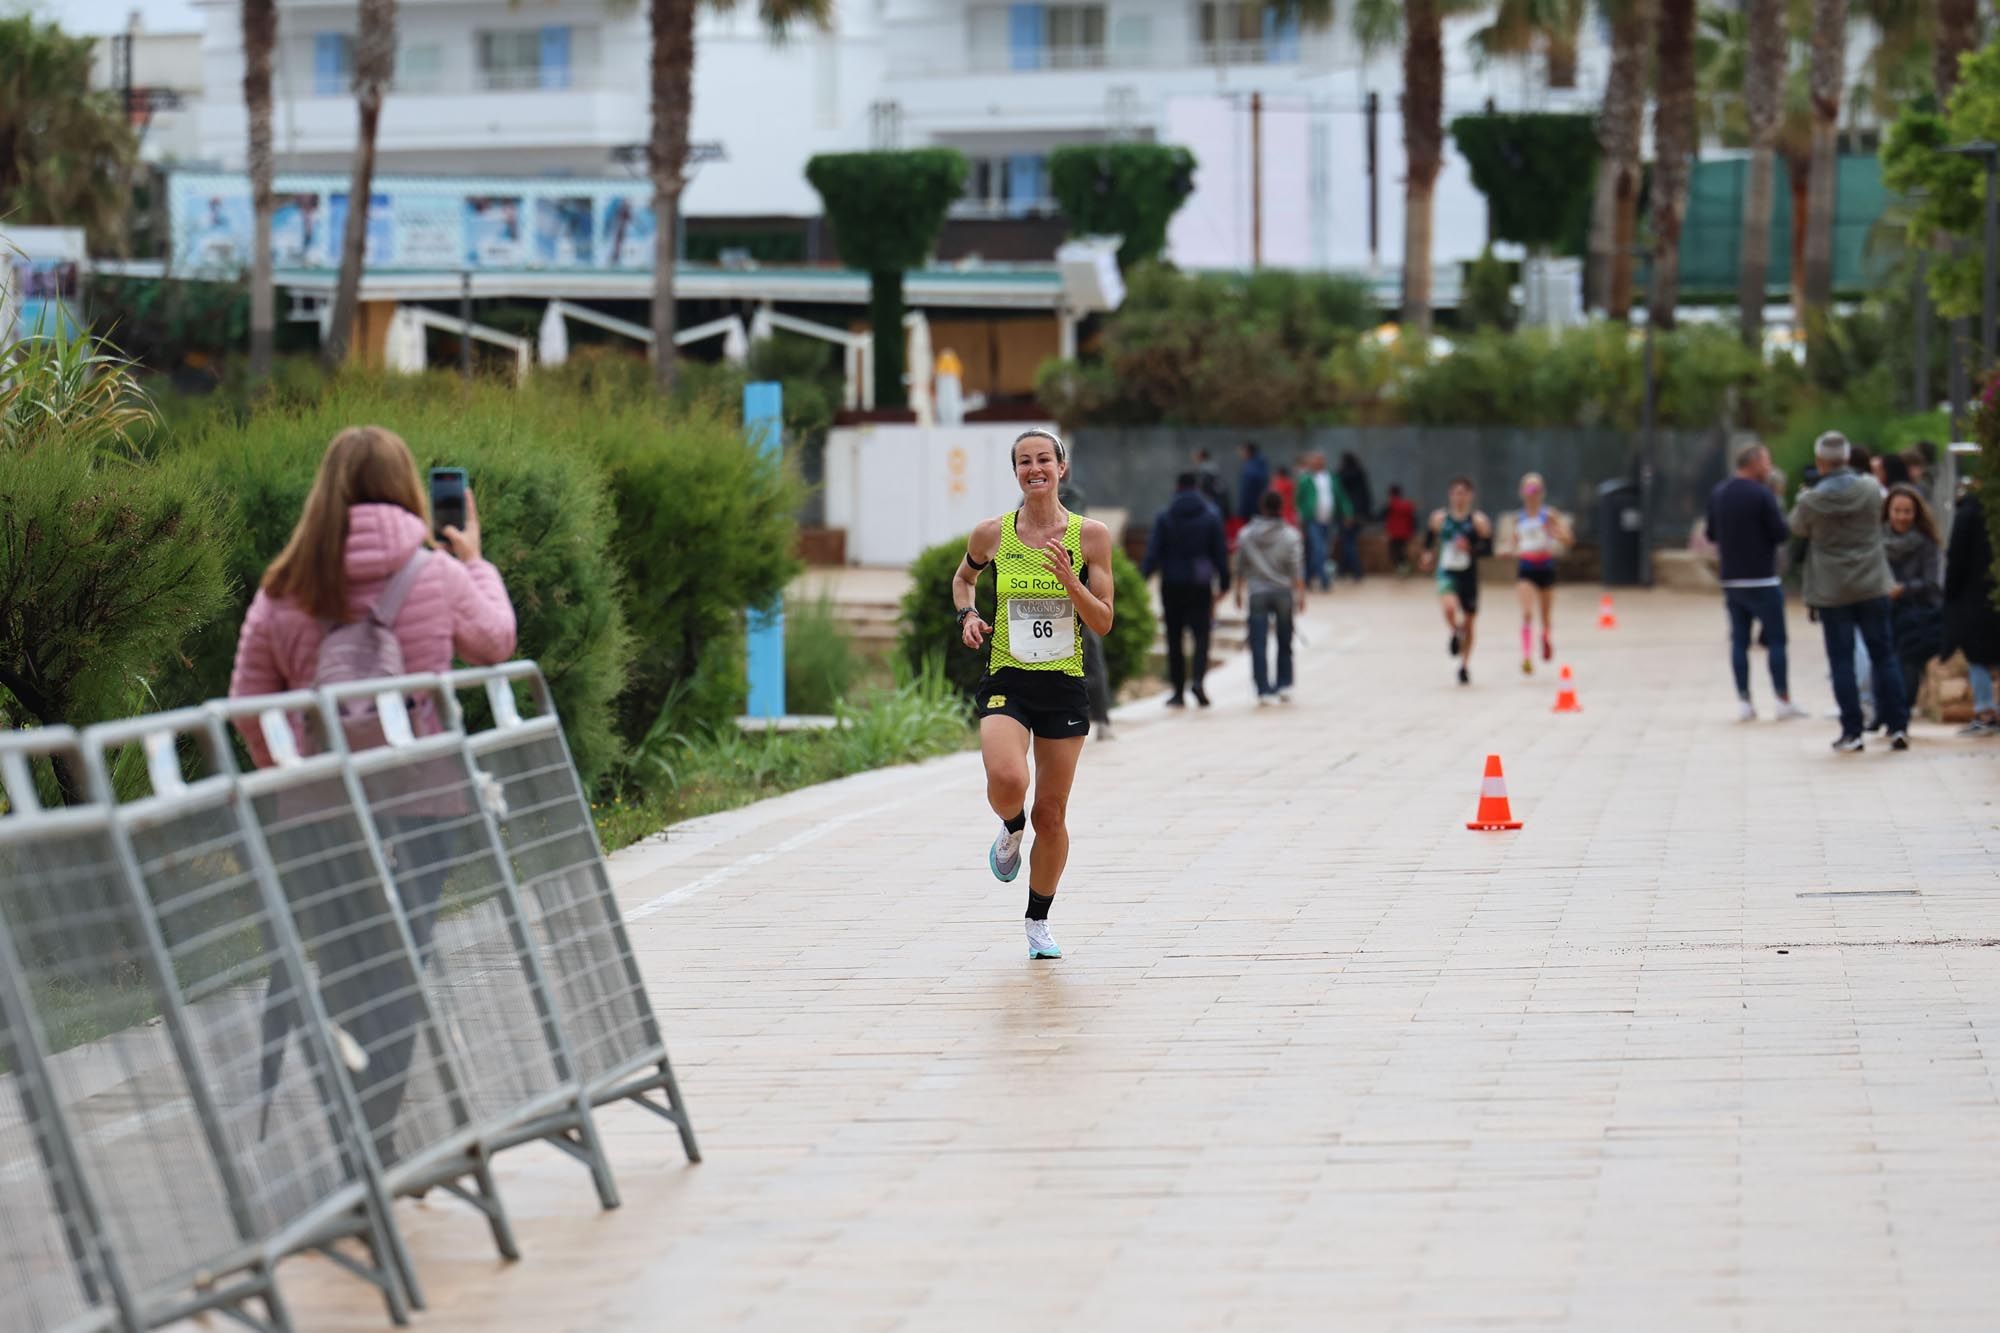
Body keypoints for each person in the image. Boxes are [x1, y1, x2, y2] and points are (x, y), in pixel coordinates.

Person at [228, 424, 518, 1139]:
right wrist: (477, 562)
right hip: (423, 805)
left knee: (342, 960)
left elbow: (246, 703)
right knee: (401, 960)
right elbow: (495, 642)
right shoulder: (437, 573)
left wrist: (300, 772)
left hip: (318, 816)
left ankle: (354, 1125)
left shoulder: (283, 591)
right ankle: (375, 1130)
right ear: (406, 489)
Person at [954, 428, 1116, 961]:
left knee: (1052, 814)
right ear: (1016, 472)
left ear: (1061, 468)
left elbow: (1105, 621)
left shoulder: (1090, 537)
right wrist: (969, 614)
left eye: (1044, 459)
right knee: (1007, 779)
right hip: (1008, 678)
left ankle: (1037, 920)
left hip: (1064, 685)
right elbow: (963, 580)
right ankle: (1008, 827)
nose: (1035, 468)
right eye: (1024, 462)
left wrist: (1073, 582)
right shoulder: (992, 534)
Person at [1790, 432, 1909, 752]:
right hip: (1872, 584)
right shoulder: (1871, 489)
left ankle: (1852, 731)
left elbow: (1797, 528)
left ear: (1820, 462)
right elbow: (1881, 516)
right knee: (1883, 655)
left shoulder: (1811, 500)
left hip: (1832, 590)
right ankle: (1897, 725)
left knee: (1841, 661)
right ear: (1846, 458)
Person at [1707, 443, 1807, 722]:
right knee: (1776, 640)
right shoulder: (1763, 494)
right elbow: (1780, 533)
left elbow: (1711, 533)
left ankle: (1744, 701)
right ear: (1752, 463)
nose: (1769, 468)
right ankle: (1782, 700)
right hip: (1763, 578)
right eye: (1766, 462)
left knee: (1739, 641)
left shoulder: (1719, 492)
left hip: (1732, 579)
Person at [1142, 471, 1230, 709]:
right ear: (1197, 487)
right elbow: (1219, 552)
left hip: (1171, 581)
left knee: (1174, 637)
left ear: (1177, 487)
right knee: (1202, 635)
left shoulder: (1166, 515)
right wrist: (1224, 581)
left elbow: (1153, 553)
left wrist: (1142, 579)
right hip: (1200, 582)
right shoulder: (1211, 514)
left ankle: (1178, 692)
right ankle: (1199, 681)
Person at [1233, 490, 1306, 704]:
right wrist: (1301, 594)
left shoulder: (1246, 534)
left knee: (1258, 642)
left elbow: (1240, 566)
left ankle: (1263, 688)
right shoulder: (1291, 535)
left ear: (1262, 507)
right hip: (1283, 592)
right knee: (1285, 640)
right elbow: (1297, 568)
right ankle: (1284, 683)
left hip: (1257, 593)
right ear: (1281, 507)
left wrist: (1238, 591)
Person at [1422, 476, 1491, 686]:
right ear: (1450, 495)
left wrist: (1470, 548)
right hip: (1447, 571)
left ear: (1470, 496)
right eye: (1455, 493)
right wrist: (1427, 555)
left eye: (1463, 493)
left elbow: (1488, 549)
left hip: (1468, 574)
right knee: (1450, 608)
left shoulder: (1478, 521)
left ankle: (1464, 664)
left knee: (1470, 621)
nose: (1458, 497)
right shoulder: (1440, 519)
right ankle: (1454, 630)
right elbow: (1429, 541)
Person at [1883, 483, 1945, 717]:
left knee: (1907, 661)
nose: (1901, 516)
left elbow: (1932, 581)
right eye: (1896, 510)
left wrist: (1904, 589)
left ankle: (1900, 711)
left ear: (1916, 513)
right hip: (1884, 608)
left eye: (1906, 511)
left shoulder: (1927, 542)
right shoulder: (1876, 540)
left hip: (1917, 612)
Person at [1501, 472, 1572, 675]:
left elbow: (1568, 539)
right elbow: (1513, 542)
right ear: (1522, 492)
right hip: (1526, 567)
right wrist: (1507, 550)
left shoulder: (1549, 515)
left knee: (1546, 615)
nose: (1532, 493)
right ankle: (1526, 656)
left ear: (1542, 492)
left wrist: (1559, 534)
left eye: (1536, 489)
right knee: (1527, 613)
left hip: (1546, 566)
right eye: (1529, 489)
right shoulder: (1518, 518)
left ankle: (1545, 637)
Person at [1943, 483, 2000, 736]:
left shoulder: (1967, 513)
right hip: (1989, 592)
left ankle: (1985, 711)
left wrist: (1950, 593)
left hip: (1974, 594)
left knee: (1977, 656)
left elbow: (1956, 558)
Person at [1295, 451, 1337, 591]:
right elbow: (1299, 500)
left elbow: (1339, 495)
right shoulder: (1306, 479)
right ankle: (1324, 580)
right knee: (1319, 550)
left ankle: (1307, 578)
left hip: (1327, 519)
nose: (1317, 463)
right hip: (1312, 520)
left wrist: (1346, 512)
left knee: (1317, 551)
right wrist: (1301, 516)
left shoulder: (1330, 478)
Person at [1335, 452, 1373, 581]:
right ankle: (1342, 570)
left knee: (1348, 542)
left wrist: (1348, 514)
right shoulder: (1360, 474)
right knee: (1348, 541)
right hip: (1359, 514)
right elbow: (1366, 495)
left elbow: (1344, 497)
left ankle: (1357, 571)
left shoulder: (1344, 475)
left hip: (1349, 514)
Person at [1235, 441, 1270, 541]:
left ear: (1248, 451)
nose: (1240, 454)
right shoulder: (1259, 464)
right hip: (1259, 508)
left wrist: (1243, 510)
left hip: (1253, 509)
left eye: (1242, 451)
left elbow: (1247, 491)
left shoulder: (1251, 468)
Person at [1383, 484, 1418, 575]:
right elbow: (1413, 519)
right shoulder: (1407, 505)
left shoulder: (1390, 505)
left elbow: (1384, 517)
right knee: (1401, 551)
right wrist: (1413, 531)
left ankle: (1403, 568)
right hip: (1406, 533)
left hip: (1395, 533)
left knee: (1394, 552)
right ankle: (1404, 567)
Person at [1193, 447, 1231, 522]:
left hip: (1213, 502)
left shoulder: (1205, 470)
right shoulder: (1213, 467)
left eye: (1196, 456)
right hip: (1219, 501)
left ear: (1201, 457)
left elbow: (1206, 489)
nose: (1194, 459)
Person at [1271, 463, 1299, 527]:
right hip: (1287, 512)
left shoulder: (1276, 483)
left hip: (1280, 513)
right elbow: (1294, 498)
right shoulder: (1290, 483)